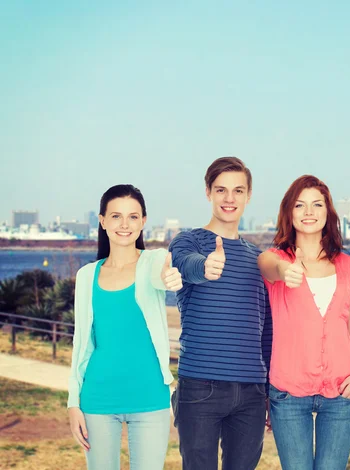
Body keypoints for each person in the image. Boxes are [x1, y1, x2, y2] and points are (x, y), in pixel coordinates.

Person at [258, 175, 350, 470]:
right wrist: (285, 270)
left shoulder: (347, 264)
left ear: (328, 212)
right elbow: (269, 267)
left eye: (316, 204)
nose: (309, 212)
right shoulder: (274, 259)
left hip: (342, 388)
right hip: (289, 391)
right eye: (300, 205)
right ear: (289, 213)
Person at [67, 184, 182, 470]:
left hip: (150, 397)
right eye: (116, 216)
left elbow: (166, 272)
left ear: (144, 222)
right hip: (97, 398)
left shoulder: (154, 261)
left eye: (133, 217)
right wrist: (73, 403)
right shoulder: (86, 276)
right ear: (102, 220)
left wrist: (173, 277)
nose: (125, 224)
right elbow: (81, 343)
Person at [169, 157, 272, 470]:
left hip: (252, 392)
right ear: (208, 193)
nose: (230, 198)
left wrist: (268, 390)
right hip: (201, 386)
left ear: (248, 195)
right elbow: (185, 264)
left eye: (238, 191)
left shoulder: (259, 258)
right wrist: (205, 267)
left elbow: (265, 329)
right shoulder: (189, 241)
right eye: (221, 190)